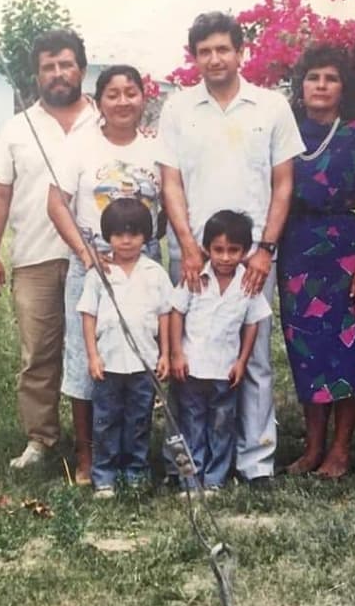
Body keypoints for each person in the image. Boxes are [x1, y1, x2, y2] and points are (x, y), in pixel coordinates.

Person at [159, 11, 302, 486]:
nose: (215, 59)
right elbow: (171, 181)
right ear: (194, 57)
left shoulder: (271, 106)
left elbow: (283, 184)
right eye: (205, 51)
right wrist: (187, 245)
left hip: (253, 256)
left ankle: (255, 463)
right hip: (195, 257)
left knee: (254, 358)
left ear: (241, 52)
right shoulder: (179, 109)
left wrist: (264, 248)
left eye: (223, 49)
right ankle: (192, 464)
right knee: (191, 362)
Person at [278, 45, 355, 479]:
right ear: (302, 85)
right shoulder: (286, 135)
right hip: (296, 249)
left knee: (349, 349)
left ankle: (341, 450)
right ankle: (312, 449)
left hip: (344, 250)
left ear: (342, 87)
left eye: (330, 78)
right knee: (308, 347)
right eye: (313, 78)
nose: (321, 86)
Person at [0, 29, 98, 469]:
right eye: (48, 67)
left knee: (98, 348)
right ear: (37, 74)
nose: (57, 74)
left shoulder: (105, 119)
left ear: (82, 69)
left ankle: (101, 435)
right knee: (39, 354)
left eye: (65, 64)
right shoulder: (17, 127)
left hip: (98, 258)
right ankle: (41, 438)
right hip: (35, 255)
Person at [47, 64, 165, 485]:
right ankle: (87, 457)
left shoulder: (157, 148)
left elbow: (170, 205)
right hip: (92, 264)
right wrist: (86, 253)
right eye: (112, 94)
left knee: (139, 357)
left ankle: (135, 457)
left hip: (144, 264)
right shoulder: (79, 147)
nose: (122, 102)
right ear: (99, 101)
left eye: (131, 93)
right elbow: (57, 203)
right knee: (87, 361)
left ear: (143, 98)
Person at [170, 210, 272, 493]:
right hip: (192, 368)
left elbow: (252, 324)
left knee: (221, 426)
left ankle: (215, 479)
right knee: (190, 426)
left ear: (245, 251)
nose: (225, 257)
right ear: (206, 248)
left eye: (233, 250)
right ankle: (189, 481)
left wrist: (242, 361)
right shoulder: (194, 278)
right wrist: (177, 354)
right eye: (218, 250)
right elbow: (176, 313)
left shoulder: (248, 283)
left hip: (225, 371)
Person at [77, 198, 173, 498]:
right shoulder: (99, 274)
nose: (127, 240)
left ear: (147, 235)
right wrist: (93, 356)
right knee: (106, 420)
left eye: (134, 233)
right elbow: (88, 316)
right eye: (119, 234)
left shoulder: (155, 273)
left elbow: (165, 314)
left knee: (138, 420)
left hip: (143, 364)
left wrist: (166, 354)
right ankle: (104, 475)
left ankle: (136, 471)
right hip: (109, 364)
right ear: (108, 237)